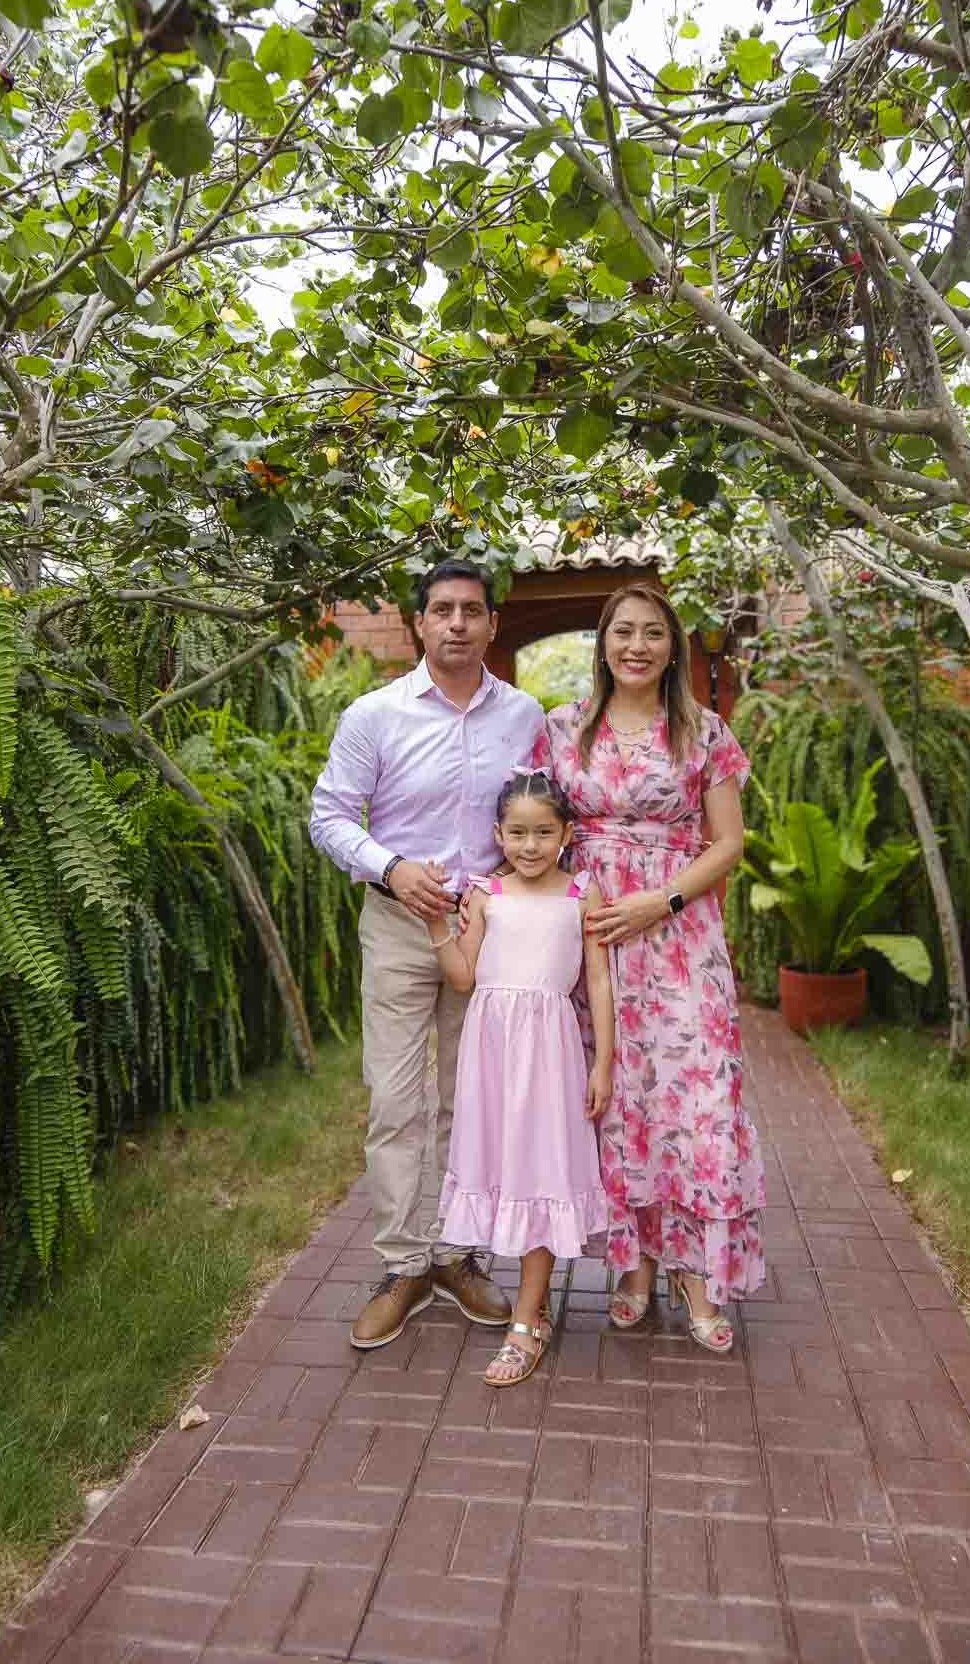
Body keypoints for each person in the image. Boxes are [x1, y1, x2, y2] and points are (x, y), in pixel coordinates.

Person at [309, 559, 544, 1350]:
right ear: (419, 623)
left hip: (486, 931)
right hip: (399, 924)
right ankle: (403, 1265)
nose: (457, 624)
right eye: (442, 610)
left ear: (492, 624)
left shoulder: (524, 717)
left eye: (471, 610)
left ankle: (456, 1255)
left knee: (470, 1098)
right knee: (396, 1097)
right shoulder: (373, 715)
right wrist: (391, 868)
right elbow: (330, 816)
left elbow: (543, 817)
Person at [532, 582, 765, 1353]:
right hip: (592, 933)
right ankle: (632, 1268)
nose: (637, 645)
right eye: (623, 631)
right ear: (603, 643)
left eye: (653, 633)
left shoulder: (704, 731)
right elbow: (532, 826)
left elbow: (729, 843)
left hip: (679, 935)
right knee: (617, 1101)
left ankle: (696, 1274)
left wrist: (657, 903)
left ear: (673, 648)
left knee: (695, 1099)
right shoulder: (561, 727)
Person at [428, 768, 612, 1387]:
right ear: (498, 834)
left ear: (566, 835)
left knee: (541, 1174)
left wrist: (603, 1062)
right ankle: (531, 1306)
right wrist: (435, 925)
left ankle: (527, 1321)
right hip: (491, 1057)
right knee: (503, 1170)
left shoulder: (581, 894)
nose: (529, 846)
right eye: (517, 833)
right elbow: (462, 977)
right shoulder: (486, 893)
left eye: (543, 833)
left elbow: (598, 981)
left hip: (550, 1059)